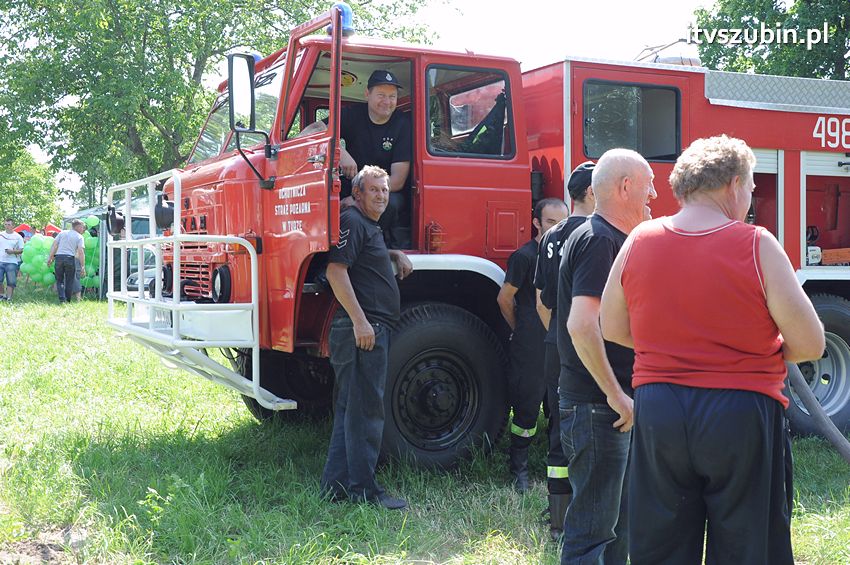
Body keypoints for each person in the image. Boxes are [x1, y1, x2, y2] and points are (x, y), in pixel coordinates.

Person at [600, 135, 824, 565]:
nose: (750, 198)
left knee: (660, 550)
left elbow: (611, 327)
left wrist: (670, 347)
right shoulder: (757, 243)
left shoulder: (639, 239)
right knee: (749, 548)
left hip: (659, 410)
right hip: (741, 412)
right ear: (734, 184)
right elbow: (811, 344)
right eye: (751, 187)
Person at [557, 148, 656, 564]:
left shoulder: (610, 238)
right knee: (592, 535)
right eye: (649, 185)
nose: (654, 195)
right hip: (599, 410)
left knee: (618, 530)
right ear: (625, 186)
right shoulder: (599, 240)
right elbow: (581, 325)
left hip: (610, 408)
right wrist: (616, 396)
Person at [320, 165, 413, 510]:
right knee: (366, 413)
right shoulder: (354, 221)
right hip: (363, 330)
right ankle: (364, 491)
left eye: (385, 190)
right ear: (357, 193)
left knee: (352, 408)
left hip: (366, 328)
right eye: (373, 190)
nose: (381, 196)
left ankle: (335, 487)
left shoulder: (366, 224)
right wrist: (361, 323)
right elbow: (336, 271)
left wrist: (392, 253)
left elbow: (359, 259)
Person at [532, 162, 596, 539]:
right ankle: (590, 513)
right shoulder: (598, 233)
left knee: (558, 427)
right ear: (591, 192)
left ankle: (558, 522)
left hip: (555, 345)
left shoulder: (552, 235)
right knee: (596, 428)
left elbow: (542, 299)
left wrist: (558, 336)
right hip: (591, 346)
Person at [498, 198, 569, 497]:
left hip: (558, 342)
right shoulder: (525, 256)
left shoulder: (570, 253)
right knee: (526, 408)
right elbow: (504, 298)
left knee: (558, 406)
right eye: (551, 222)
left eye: (562, 222)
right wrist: (521, 330)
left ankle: (555, 468)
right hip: (530, 345)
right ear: (536, 223)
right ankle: (519, 468)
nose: (557, 228)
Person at [301, 69, 412, 247]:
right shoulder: (352, 114)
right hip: (353, 184)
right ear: (367, 94)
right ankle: (323, 248)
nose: (387, 101)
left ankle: (372, 245)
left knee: (391, 202)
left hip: (383, 190)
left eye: (392, 96)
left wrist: (357, 200)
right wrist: (338, 150)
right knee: (321, 196)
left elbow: (397, 181)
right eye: (381, 95)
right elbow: (312, 131)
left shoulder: (403, 124)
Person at [47, 219, 87, 303]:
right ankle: (67, 300)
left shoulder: (62, 233)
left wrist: (50, 257)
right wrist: (83, 266)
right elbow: (81, 252)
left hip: (59, 258)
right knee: (69, 281)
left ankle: (62, 299)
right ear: (78, 227)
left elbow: (54, 245)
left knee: (59, 280)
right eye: (82, 227)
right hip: (70, 258)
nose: (83, 229)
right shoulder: (79, 237)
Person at [0, 219, 24, 301]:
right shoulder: (1, 235)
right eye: (5, 224)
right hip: (0, 260)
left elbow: (22, 250)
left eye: (9, 224)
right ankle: (2, 295)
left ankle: (9, 298)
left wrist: (12, 251)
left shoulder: (18, 237)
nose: (7, 226)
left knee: (11, 281)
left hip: (12, 262)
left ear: (13, 226)